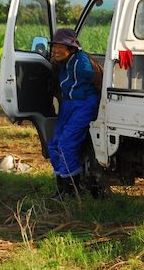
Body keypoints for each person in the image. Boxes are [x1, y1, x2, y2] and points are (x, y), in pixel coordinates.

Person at [47, 28, 99, 198]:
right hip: (68, 105)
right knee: (54, 145)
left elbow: (93, 77)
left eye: (59, 47)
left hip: (83, 104)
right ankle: (61, 186)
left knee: (67, 143)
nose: (55, 50)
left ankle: (72, 190)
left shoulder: (82, 62)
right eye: (54, 46)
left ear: (71, 48)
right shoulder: (63, 63)